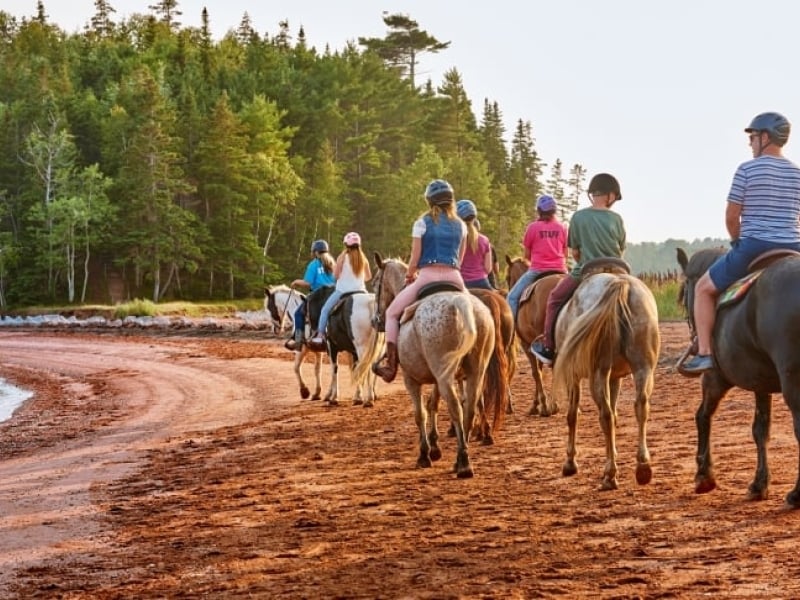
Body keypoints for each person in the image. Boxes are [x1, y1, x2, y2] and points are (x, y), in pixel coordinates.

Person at [682, 112, 800, 374]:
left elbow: (732, 216)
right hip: (794, 248)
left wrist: (736, 241)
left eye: (753, 137)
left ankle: (704, 353)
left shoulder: (747, 169)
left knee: (702, 289)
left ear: (766, 138)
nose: (751, 143)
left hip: (755, 246)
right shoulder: (797, 173)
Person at [372, 178, 467, 383]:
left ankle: (390, 365)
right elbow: (460, 258)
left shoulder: (421, 222)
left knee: (391, 313)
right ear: (451, 200)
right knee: (475, 313)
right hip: (455, 279)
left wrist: (410, 274)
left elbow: (414, 258)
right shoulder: (461, 225)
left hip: (427, 277)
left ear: (429, 201)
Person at [531, 173, 626, 365]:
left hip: (588, 271)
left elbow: (575, 253)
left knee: (555, 298)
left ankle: (549, 347)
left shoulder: (579, 217)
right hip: (617, 271)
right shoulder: (617, 219)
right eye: (615, 197)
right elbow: (621, 249)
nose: (615, 201)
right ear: (609, 195)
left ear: (594, 194)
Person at [506, 194, 568, 319]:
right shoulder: (562, 228)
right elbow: (565, 254)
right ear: (554, 211)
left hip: (538, 270)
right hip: (561, 270)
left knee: (511, 297)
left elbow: (527, 256)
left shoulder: (532, 228)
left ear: (539, 211)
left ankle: (511, 334)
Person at [308, 232, 372, 350]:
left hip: (343, 291)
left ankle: (320, 336)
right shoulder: (364, 258)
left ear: (346, 245)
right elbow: (368, 277)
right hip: (362, 292)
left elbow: (336, 276)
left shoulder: (342, 257)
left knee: (325, 310)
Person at [284, 239, 336, 351]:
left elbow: (308, 283)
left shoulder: (314, 264)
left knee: (298, 314)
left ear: (316, 252)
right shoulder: (332, 264)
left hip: (318, 296)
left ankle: (298, 341)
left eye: (313, 252)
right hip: (332, 295)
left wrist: (296, 282)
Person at [456, 199, 494, 290]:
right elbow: (488, 268)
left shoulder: (454, 239)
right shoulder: (484, 240)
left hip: (459, 282)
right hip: (481, 282)